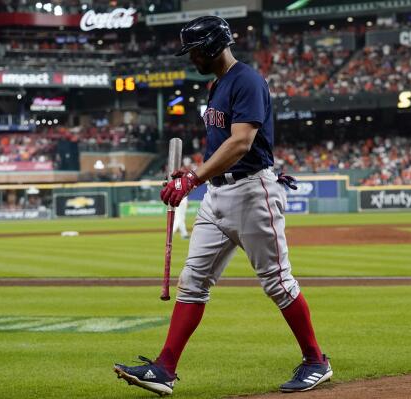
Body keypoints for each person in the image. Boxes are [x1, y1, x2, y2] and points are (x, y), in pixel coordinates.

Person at [114, 16, 332, 396]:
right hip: (217, 195)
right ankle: (164, 368)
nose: (191, 58)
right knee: (193, 281)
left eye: (195, 50)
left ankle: (316, 361)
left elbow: (241, 143)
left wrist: (192, 180)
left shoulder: (246, 80)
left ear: (214, 46)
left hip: (252, 192)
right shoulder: (217, 86)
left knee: (278, 283)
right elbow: (220, 147)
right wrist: (194, 171)